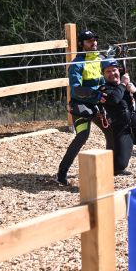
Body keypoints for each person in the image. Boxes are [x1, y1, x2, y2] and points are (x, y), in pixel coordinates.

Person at [56, 30, 113, 186]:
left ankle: (111, 168)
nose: (94, 42)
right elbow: (75, 89)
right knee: (82, 136)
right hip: (81, 106)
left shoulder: (102, 59)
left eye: (94, 40)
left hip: (99, 105)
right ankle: (62, 172)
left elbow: (112, 75)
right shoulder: (77, 63)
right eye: (89, 41)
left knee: (111, 132)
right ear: (81, 44)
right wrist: (95, 94)